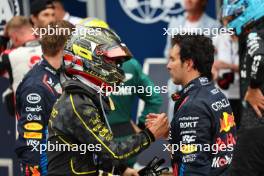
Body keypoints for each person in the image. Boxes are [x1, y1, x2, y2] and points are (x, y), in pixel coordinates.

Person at [47, 26, 169, 175]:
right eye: (111, 61)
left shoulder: (84, 96)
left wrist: (122, 170)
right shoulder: (78, 103)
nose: (117, 68)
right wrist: (150, 135)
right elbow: (113, 151)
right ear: (88, 57)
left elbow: (92, 152)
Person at [78, 17, 163, 167]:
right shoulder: (130, 64)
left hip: (96, 143)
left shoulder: (81, 69)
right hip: (128, 139)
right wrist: (142, 126)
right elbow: (155, 98)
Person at [149, 34, 236, 175]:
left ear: (188, 64)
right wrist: (168, 134)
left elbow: (194, 166)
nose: (168, 66)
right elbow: (206, 144)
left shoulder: (192, 105)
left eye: (172, 59)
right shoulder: (215, 93)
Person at [15, 20, 74, 176]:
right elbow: (30, 141)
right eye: (75, 46)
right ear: (64, 47)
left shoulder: (61, 75)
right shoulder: (36, 86)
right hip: (47, 169)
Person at [221, 0, 264, 175]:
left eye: (231, 17)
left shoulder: (254, 34)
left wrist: (253, 88)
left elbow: (260, 58)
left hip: (256, 125)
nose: (227, 25)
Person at [164, 0, 220, 121]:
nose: (188, 0)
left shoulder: (214, 26)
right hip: (177, 88)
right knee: (175, 130)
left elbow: (215, 59)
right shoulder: (174, 22)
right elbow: (167, 53)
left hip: (202, 88)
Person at [0, 16, 42, 116]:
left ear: (14, 37)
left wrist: (3, 38)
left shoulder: (8, 55)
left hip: (27, 118)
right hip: (54, 115)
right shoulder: (53, 48)